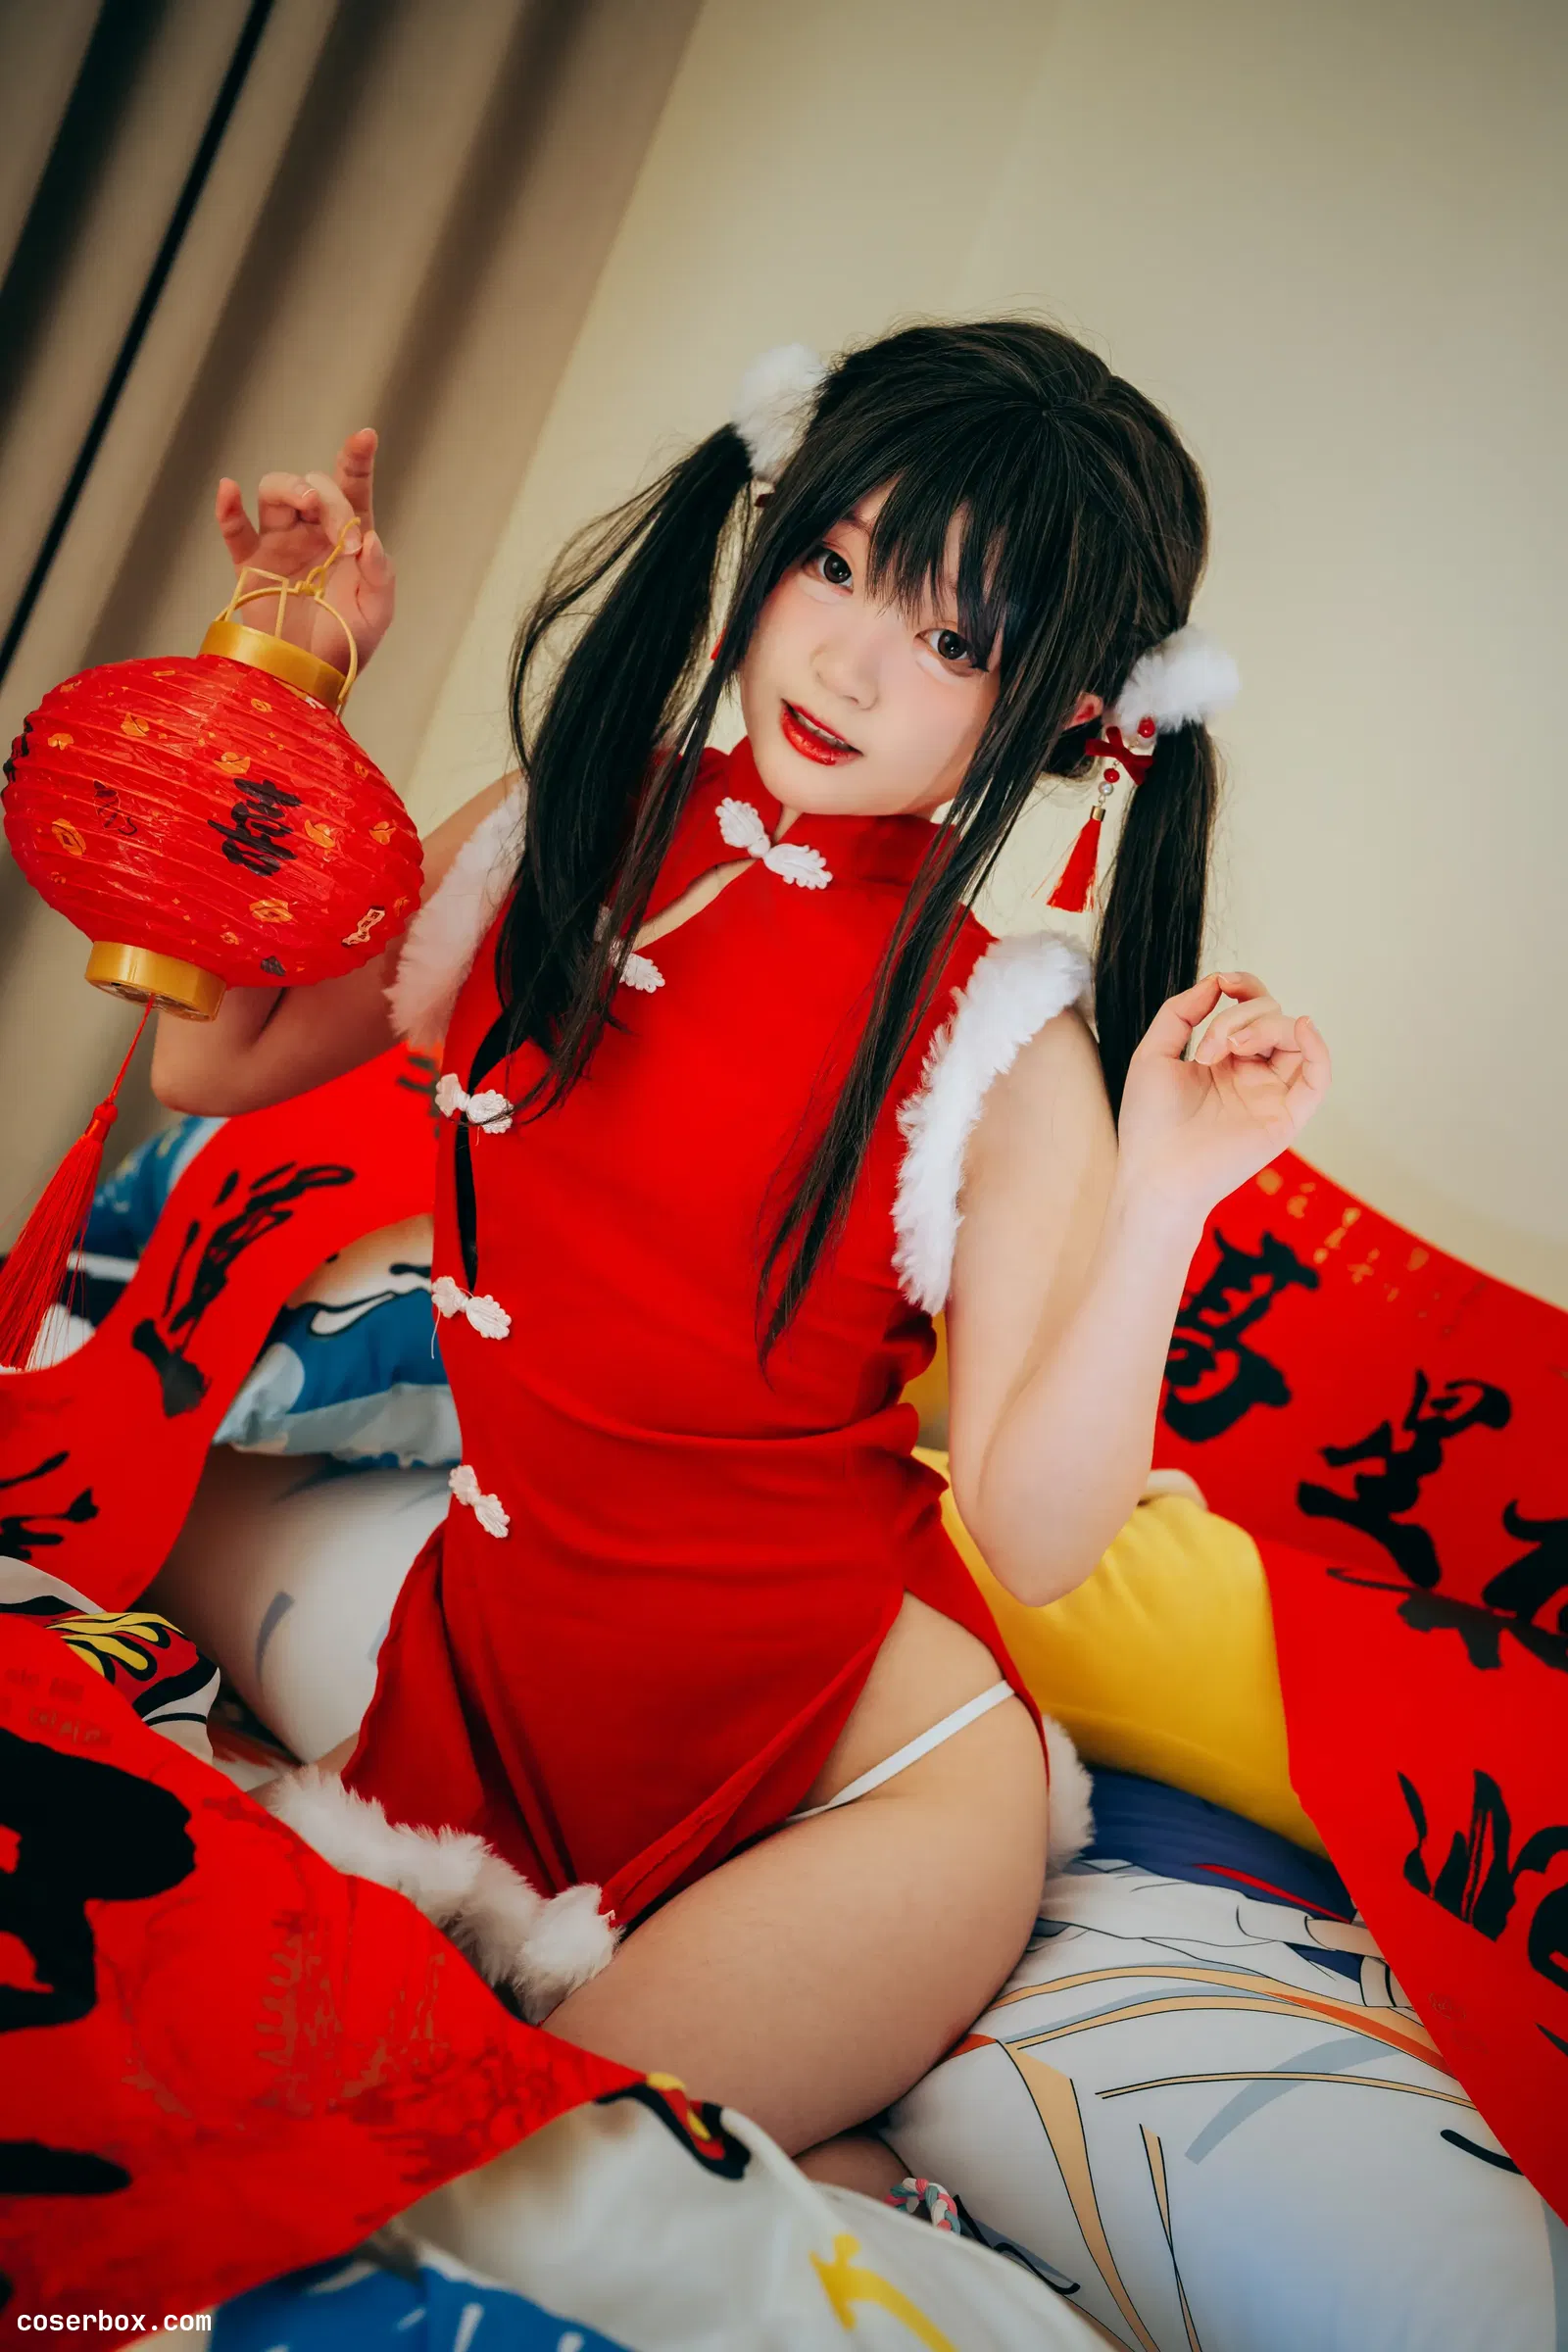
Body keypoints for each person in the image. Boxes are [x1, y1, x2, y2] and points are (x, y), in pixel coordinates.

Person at [151, 320, 1330, 2206]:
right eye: (836, 563)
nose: (850, 660)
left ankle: (825, 2143)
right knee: (215, 2087)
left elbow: (1036, 1537)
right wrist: (280, 680)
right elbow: (214, 1056)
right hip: (493, 1682)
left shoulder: (1007, 1041)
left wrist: (1171, 1193)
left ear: (1063, 713)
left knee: (498, 2196)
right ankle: (833, 2150)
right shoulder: (559, 821)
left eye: (954, 642)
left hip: (864, 1789)